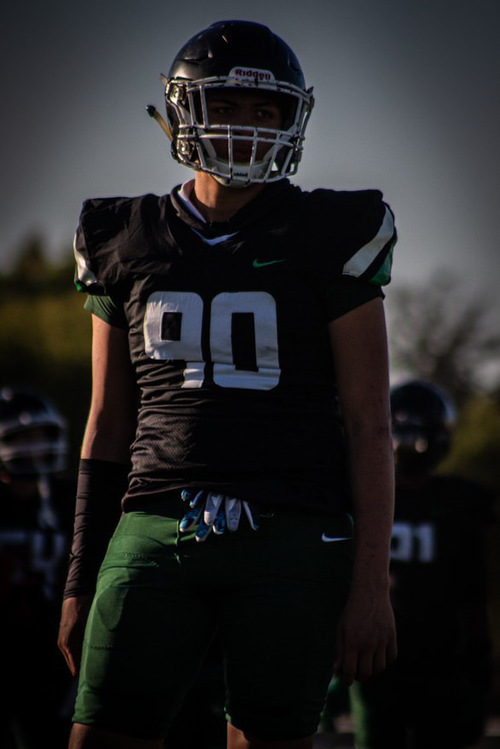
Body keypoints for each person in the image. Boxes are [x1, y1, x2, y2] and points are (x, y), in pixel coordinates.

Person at [57, 19, 398, 749]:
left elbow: (371, 421)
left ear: (290, 120)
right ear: (184, 111)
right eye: (228, 106)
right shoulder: (122, 234)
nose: (246, 127)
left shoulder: (330, 229)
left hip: (293, 528)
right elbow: (106, 423)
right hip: (155, 520)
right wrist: (81, 575)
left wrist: (373, 585)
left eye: (265, 110)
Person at [349, 380, 495, 748]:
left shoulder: (462, 501)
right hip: (382, 651)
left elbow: (474, 586)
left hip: (437, 655)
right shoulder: (463, 499)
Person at [0, 385, 75, 747]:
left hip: (50, 650)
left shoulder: (69, 499)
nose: (36, 447)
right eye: (23, 438)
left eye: (41, 436)